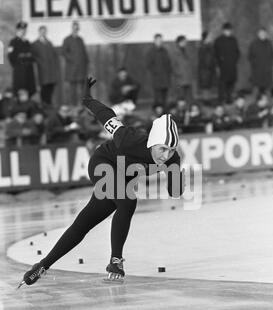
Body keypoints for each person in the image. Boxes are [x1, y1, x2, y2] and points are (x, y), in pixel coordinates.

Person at [18, 77, 184, 287]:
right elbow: (107, 116)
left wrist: (175, 180)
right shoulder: (129, 138)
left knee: (84, 223)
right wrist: (87, 99)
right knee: (127, 201)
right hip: (102, 163)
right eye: (163, 149)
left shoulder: (173, 158)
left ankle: (42, 265)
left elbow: (174, 192)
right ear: (152, 142)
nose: (166, 155)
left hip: (122, 178)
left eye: (171, 150)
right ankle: (116, 261)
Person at [62, 21, 89, 106]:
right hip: (72, 69)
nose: (75, 29)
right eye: (74, 28)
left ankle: (82, 106)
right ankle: (73, 105)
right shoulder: (67, 39)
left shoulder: (80, 39)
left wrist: (86, 62)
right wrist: (73, 60)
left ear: (78, 29)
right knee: (72, 89)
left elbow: (84, 53)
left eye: (77, 28)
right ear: (72, 28)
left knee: (82, 88)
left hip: (81, 68)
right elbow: (64, 52)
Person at [32, 26, 59, 105]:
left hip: (51, 71)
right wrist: (40, 62)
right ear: (39, 32)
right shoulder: (35, 44)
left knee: (51, 87)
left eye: (44, 31)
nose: (43, 33)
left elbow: (54, 55)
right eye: (41, 31)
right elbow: (33, 56)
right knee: (44, 88)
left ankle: (49, 104)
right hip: (42, 71)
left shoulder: (49, 43)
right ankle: (44, 104)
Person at [7, 21, 36, 96]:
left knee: (29, 88)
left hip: (28, 69)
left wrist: (28, 56)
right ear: (17, 30)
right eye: (21, 30)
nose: (23, 31)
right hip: (20, 70)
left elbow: (32, 55)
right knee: (20, 88)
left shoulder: (27, 42)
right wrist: (17, 66)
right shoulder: (13, 42)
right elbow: (10, 56)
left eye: (24, 30)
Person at [214, 22, 240, 104]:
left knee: (231, 84)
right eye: (226, 30)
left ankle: (229, 99)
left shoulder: (234, 40)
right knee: (222, 84)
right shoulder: (218, 41)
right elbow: (215, 54)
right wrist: (219, 63)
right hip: (222, 67)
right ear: (223, 31)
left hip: (232, 66)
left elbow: (238, 52)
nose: (228, 32)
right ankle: (221, 100)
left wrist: (234, 60)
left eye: (229, 30)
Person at [146, 33, 172, 108]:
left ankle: (165, 113)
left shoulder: (165, 51)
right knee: (157, 99)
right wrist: (156, 73)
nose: (160, 42)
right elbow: (148, 65)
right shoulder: (151, 52)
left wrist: (168, 73)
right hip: (156, 80)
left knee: (165, 99)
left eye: (161, 40)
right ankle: (157, 115)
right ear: (154, 41)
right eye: (158, 40)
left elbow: (169, 64)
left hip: (166, 79)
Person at [248, 28, 273, 96]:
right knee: (256, 89)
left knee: (268, 89)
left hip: (267, 71)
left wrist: (269, 65)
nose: (262, 35)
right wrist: (254, 64)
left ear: (266, 34)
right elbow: (250, 56)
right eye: (261, 33)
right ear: (258, 34)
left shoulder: (269, 43)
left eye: (264, 33)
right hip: (257, 70)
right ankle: (254, 105)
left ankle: (269, 104)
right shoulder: (254, 44)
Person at [172, 35, 193, 105]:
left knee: (189, 97)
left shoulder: (186, 51)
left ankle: (188, 111)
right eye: (183, 41)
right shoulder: (175, 52)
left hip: (187, 78)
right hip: (180, 79)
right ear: (179, 42)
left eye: (185, 41)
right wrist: (179, 74)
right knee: (181, 98)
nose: (185, 43)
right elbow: (173, 66)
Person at [197, 31, 216, 101]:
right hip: (205, 70)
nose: (211, 38)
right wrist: (209, 66)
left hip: (209, 70)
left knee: (208, 86)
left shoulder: (209, 46)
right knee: (206, 86)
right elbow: (205, 60)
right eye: (209, 37)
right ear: (206, 38)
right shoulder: (203, 47)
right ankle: (206, 100)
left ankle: (208, 100)